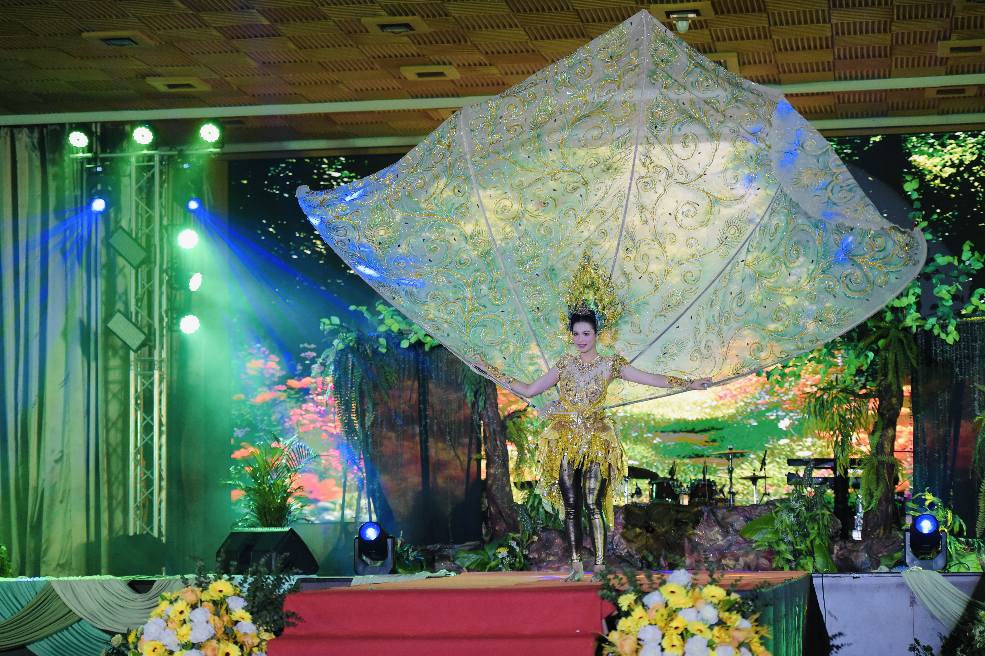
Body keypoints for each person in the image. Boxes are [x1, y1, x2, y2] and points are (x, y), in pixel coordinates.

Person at [474, 306, 711, 581]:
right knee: (571, 504)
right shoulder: (565, 364)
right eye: (576, 334)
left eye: (586, 333)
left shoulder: (611, 365)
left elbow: (651, 378)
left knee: (592, 502)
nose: (581, 339)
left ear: (597, 334)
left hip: (597, 441)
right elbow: (528, 389)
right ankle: (576, 565)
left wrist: (689, 383)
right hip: (565, 440)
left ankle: (599, 566)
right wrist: (487, 369)